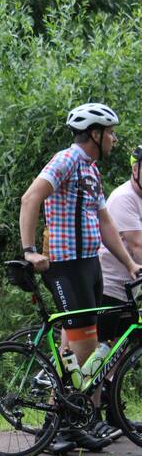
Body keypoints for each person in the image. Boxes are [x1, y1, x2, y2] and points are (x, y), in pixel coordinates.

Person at [19, 102, 142, 453]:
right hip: (67, 266)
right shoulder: (67, 160)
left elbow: (105, 223)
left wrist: (130, 265)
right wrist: (30, 250)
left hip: (90, 265)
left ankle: (69, 424)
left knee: (80, 355)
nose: (114, 139)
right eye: (111, 133)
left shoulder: (90, 170)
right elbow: (30, 198)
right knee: (86, 351)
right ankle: (63, 427)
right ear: (95, 134)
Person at [98, 145, 142, 343]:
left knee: (122, 349)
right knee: (97, 349)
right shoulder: (125, 198)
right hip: (110, 287)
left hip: (128, 289)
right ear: (136, 170)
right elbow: (137, 247)